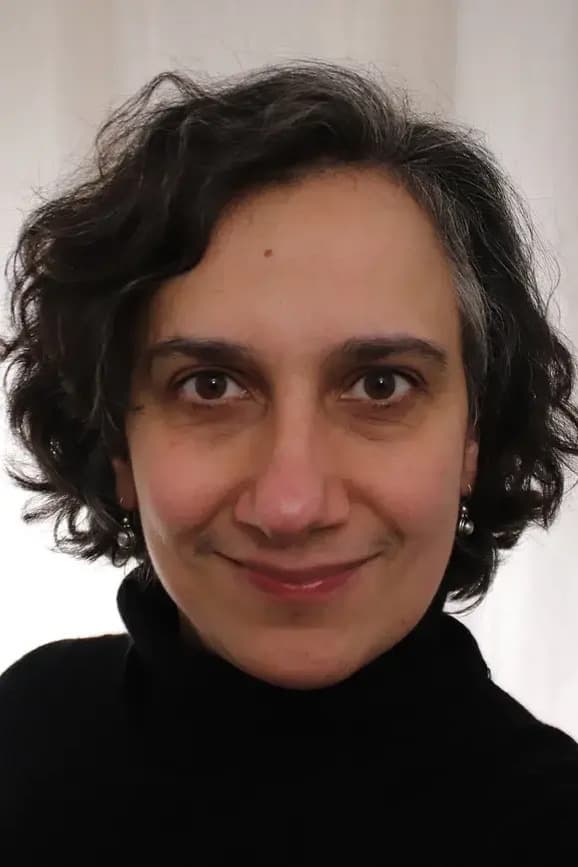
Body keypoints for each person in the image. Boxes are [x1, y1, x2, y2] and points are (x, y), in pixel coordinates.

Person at [1, 59, 577, 864]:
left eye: (381, 385)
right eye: (209, 385)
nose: (291, 505)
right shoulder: (25, 730)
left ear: (472, 440)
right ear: (118, 444)